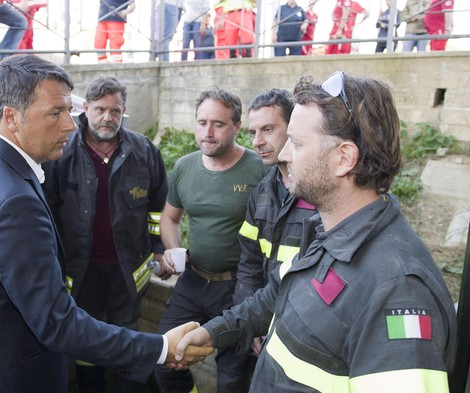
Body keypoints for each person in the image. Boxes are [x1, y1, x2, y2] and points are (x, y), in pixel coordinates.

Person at [0, 54, 212, 393]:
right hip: (3, 377)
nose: (70, 125)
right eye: (55, 113)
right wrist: (161, 348)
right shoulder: (15, 202)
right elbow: (57, 323)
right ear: (12, 118)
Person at [174, 72, 457, 392]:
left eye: (296, 143)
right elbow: (271, 298)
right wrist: (213, 333)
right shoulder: (329, 234)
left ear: (343, 158)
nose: (283, 154)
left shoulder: (399, 288)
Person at [42, 75, 169, 393]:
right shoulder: (62, 151)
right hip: (79, 269)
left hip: (129, 269)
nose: (107, 118)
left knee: (129, 333)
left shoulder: (144, 151)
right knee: (87, 337)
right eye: (100, 109)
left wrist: (157, 247)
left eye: (115, 111)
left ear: (123, 111)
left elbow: (157, 207)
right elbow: (47, 209)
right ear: (85, 108)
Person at [153, 87, 267, 393]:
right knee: (166, 359)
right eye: (202, 122)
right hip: (193, 283)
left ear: (237, 127)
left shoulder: (259, 169)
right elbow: (170, 217)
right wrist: (173, 248)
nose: (208, 132)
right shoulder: (185, 167)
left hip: (238, 289)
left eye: (218, 124)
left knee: (232, 380)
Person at [233, 89, 316, 370]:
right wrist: (252, 324)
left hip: (307, 335)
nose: (257, 142)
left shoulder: (321, 193)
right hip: (264, 324)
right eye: (253, 131)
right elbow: (249, 265)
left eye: (268, 129)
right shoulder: (261, 194)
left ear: (293, 129)